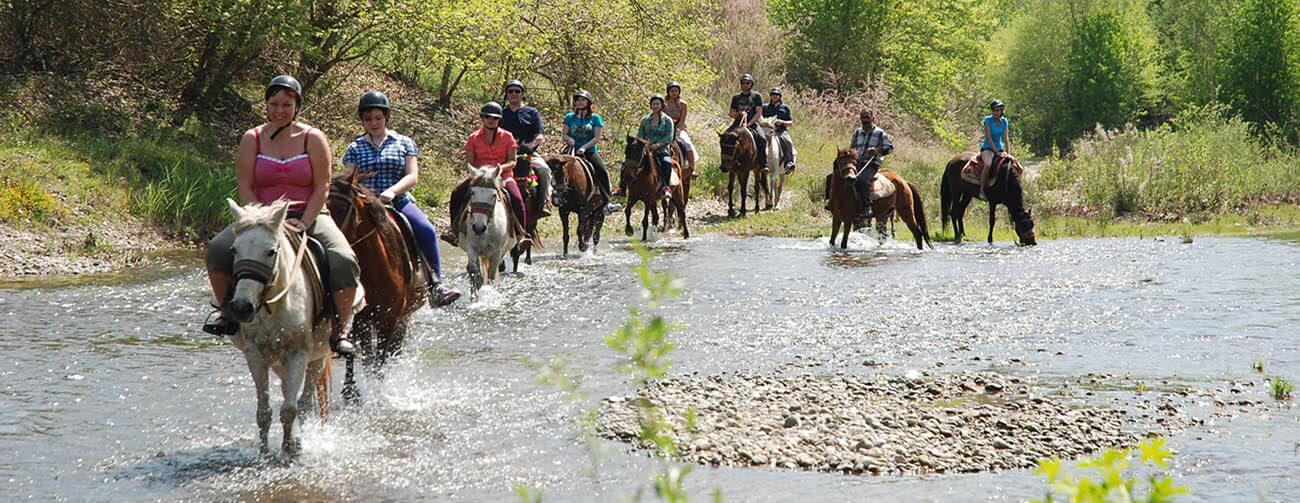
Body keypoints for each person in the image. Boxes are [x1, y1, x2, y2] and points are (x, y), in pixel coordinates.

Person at [203, 75, 358, 355]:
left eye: (287, 104)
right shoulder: (253, 138)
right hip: (261, 217)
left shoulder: (313, 138)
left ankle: (341, 329)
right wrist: (261, 220)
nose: (279, 110)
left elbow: (323, 184)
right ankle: (227, 312)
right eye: (274, 104)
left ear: (297, 106)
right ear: (267, 104)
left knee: (343, 259)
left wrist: (306, 221)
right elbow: (245, 184)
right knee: (217, 249)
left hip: (307, 213)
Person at [341, 90, 461, 307]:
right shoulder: (354, 148)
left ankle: (436, 284)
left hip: (398, 201)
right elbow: (350, 178)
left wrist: (392, 192)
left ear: (386, 117)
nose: (373, 123)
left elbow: (412, 175)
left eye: (378, 118)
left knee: (425, 229)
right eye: (368, 119)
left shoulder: (404, 143)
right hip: (366, 205)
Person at [446, 102, 530, 248]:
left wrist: (498, 169)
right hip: (480, 177)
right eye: (487, 117)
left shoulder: (508, 137)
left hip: (503, 176)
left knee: (516, 198)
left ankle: (520, 235)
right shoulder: (473, 138)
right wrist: (483, 173)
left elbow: (512, 161)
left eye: (495, 118)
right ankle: (454, 231)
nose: (491, 120)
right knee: (456, 194)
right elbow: (470, 162)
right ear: (482, 118)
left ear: (499, 120)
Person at [499, 79, 553, 216]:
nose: (514, 94)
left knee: (544, 169)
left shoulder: (532, 112)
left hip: (528, 153)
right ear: (506, 94)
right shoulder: (501, 113)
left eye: (517, 91)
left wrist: (531, 146)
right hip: (504, 154)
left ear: (523, 94)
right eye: (510, 91)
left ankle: (545, 202)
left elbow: (540, 135)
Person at [827, 108, 893, 219]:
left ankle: (867, 206)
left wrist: (877, 151)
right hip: (857, 162)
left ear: (873, 118)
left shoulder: (879, 133)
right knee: (833, 176)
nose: (865, 120)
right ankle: (831, 201)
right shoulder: (857, 132)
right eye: (863, 118)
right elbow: (853, 148)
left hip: (871, 163)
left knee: (862, 179)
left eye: (867, 118)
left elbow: (890, 147)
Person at [564, 90, 621, 214]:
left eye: (583, 100)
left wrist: (584, 147)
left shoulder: (595, 118)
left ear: (588, 102)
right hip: (571, 150)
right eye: (578, 100)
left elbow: (596, 137)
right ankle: (555, 198)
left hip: (589, 151)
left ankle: (607, 202)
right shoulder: (569, 117)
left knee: (602, 170)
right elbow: (564, 134)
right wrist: (569, 139)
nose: (580, 102)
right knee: (557, 168)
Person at [636, 94, 676, 200]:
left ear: (661, 105)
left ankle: (666, 187)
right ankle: (623, 188)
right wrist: (644, 145)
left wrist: (657, 145)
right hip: (646, 150)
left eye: (657, 104)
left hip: (661, 150)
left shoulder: (668, 121)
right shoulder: (645, 120)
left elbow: (669, 137)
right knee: (628, 163)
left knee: (667, 163)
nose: (655, 106)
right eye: (653, 104)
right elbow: (640, 135)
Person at [727, 73, 769, 168]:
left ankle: (763, 163)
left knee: (762, 138)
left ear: (751, 84)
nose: (745, 85)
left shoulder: (756, 96)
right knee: (725, 137)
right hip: (737, 124)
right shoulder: (736, 97)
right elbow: (731, 113)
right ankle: (726, 160)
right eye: (743, 83)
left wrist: (749, 124)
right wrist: (738, 114)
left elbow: (758, 113)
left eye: (747, 83)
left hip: (752, 123)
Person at [663, 82, 697, 178]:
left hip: (679, 128)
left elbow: (682, 120)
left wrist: (677, 129)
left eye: (676, 91)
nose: (674, 93)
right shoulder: (664, 104)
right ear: (668, 92)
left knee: (687, 143)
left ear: (679, 92)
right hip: (666, 129)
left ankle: (692, 167)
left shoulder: (683, 104)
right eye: (672, 91)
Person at [979, 100, 1011, 201]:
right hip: (988, 148)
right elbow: (988, 138)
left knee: (1017, 167)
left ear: (1001, 111)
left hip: (1000, 149)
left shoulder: (1005, 121)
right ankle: (982, 189)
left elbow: (1006, 139)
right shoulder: (988, 121)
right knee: (988, 164)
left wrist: (1009, 154)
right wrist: (996, 152)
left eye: (997, 110)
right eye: (994, 110)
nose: (995, 112)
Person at [762, 87, 796, 172]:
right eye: (773, 94)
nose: (774, 96)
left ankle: (789, 163)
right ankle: (760, 162)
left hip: (780, 130)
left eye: (776, 95)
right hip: (766, 129)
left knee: (787, 141)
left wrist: (782, 122)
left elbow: (791, 123)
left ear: (780, 96)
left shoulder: (785, 108)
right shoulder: (765, 107)